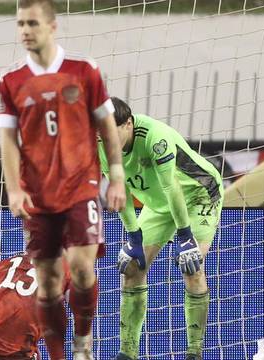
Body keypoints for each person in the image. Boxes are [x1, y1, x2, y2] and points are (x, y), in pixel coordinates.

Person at [0, 0, 127, 359]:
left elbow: (107, 126)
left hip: (80, 186)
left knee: (83, 270)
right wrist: (14, 188)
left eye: (32, 24)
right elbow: (8, 140)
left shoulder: (84, 71)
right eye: (20, 24)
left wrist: (116, 176)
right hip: (38, 193)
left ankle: (82, 344)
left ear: (52, 27)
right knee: (49, 283)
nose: (25, 31)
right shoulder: (10, 81)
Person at [98, 97, 223, 360]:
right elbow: (121, 190)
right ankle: (127, 352)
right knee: (132, 267)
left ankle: (194, 352)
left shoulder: (156, 137)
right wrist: (133, 238)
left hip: (198, 194)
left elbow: (172, 187)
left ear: (128, 124)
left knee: (191, 265)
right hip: (158, 204)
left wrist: (186, 237)